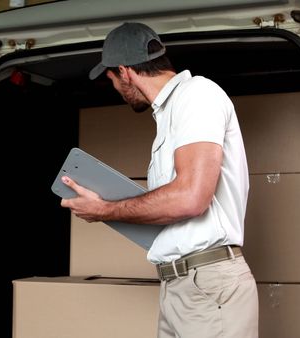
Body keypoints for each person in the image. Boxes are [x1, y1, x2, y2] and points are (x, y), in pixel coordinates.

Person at [60, 22, 258, 338]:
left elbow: (191, 197)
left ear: (124, 72)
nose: (114, 87)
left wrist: (104, 210)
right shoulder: (168, 115)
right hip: (179, 285)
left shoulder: (197, 95)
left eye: (112, 78)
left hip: (206, 283)